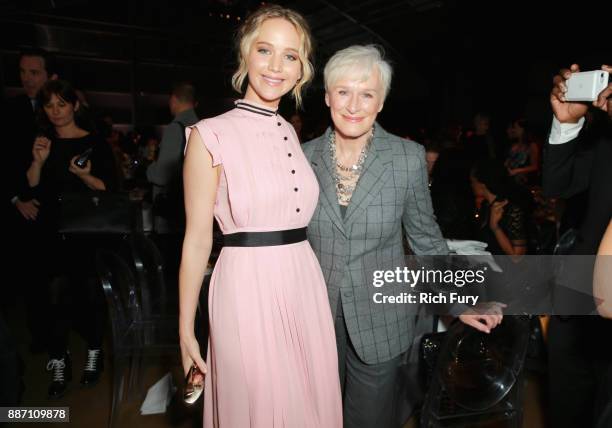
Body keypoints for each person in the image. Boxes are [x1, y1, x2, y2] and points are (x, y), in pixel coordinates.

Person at [302, 45, 503, 428]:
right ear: (327, 96)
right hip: (312, 316)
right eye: (343, 91)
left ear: (380, 103)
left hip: (380, 318)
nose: (353, 105)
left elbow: (426, 240)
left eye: (367, 94)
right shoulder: (299, 156)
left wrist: (460, 302)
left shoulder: (406, 158)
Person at [178, 5, 342, 427]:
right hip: (245, 288)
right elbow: (197, 239)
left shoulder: (288, 129)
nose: (276, 66)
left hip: (303, 282)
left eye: (290, 56)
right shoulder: (208, 134)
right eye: (265, 50)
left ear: (302, 69)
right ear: (245, 55)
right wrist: (185, 329)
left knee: (304, 406)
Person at [27, 80, 117, 398]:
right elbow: (32, 189)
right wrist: (38, 162)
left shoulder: (94, 143)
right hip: (50, 231)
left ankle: (94, 351)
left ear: (75, 106)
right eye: (49, 105)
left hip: (86, 232)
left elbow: (110, 189)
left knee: (88, 296)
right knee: (52, 297)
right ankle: (58, 357)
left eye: (61, 104)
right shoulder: (41, 141)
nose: (55, 112)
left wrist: (85, 176)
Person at [544, 63, 612, 428]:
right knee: (568, 404)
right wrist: (568, 123)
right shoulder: (606, 132)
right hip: (580, 295)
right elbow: (559, 184)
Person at [5, 48, 58, 352]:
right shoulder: (10, 109)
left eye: (34, 72)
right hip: (24, 207)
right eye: (23, 72)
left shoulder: (61, 107)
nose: (27, 78)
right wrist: (15, 199)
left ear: (50, 76)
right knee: (34, 280)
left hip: (55, 205)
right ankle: (44, 340)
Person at [147, 82, 199, 233]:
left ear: (174, 100)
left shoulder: (176, 128)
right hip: (192, 203)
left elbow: (161, 176)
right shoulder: (200, 125)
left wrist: (149, 168)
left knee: (168, 252)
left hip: (171, 211)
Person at [504, 117, 540, 185]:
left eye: (515, 127)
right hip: (510, 178)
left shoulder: (532, 145)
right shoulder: (514, 145)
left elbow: (534, 166)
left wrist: (517, 171)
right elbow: (508, 161)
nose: (513, 130)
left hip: (522, 180)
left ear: (523, 129)